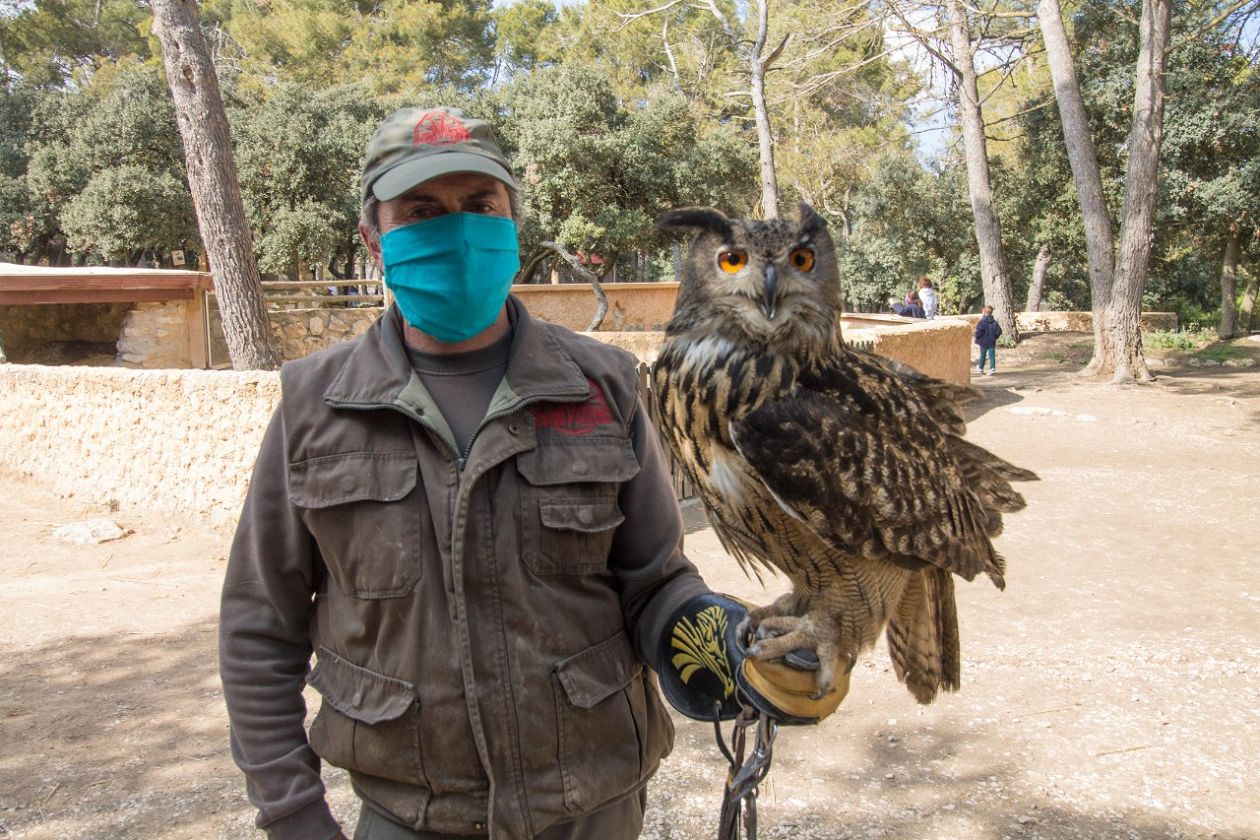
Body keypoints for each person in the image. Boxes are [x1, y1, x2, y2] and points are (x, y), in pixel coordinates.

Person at [219, 106, 833, 840]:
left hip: (594, 808)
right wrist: (293, 817)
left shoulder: (602, 385)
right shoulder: (315, 406)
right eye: (421, 211)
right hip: (409, 817)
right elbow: (261, 627)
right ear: (372, 235)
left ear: (512, 221)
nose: (455, 228)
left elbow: (654, 583)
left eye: (479, 206)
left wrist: (728, 647)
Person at [974, 305, 1003, 375]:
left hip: (983, 342)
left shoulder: (981, 322)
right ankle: (992, 368)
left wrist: (977, 338)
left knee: (982, 355)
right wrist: (995, 337)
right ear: (991, 313)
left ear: (984, 312)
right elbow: (999, 331)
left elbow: (979, 332)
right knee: (992, 355)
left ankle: (980, 368)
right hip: (991, 341)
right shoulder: (994, 322)